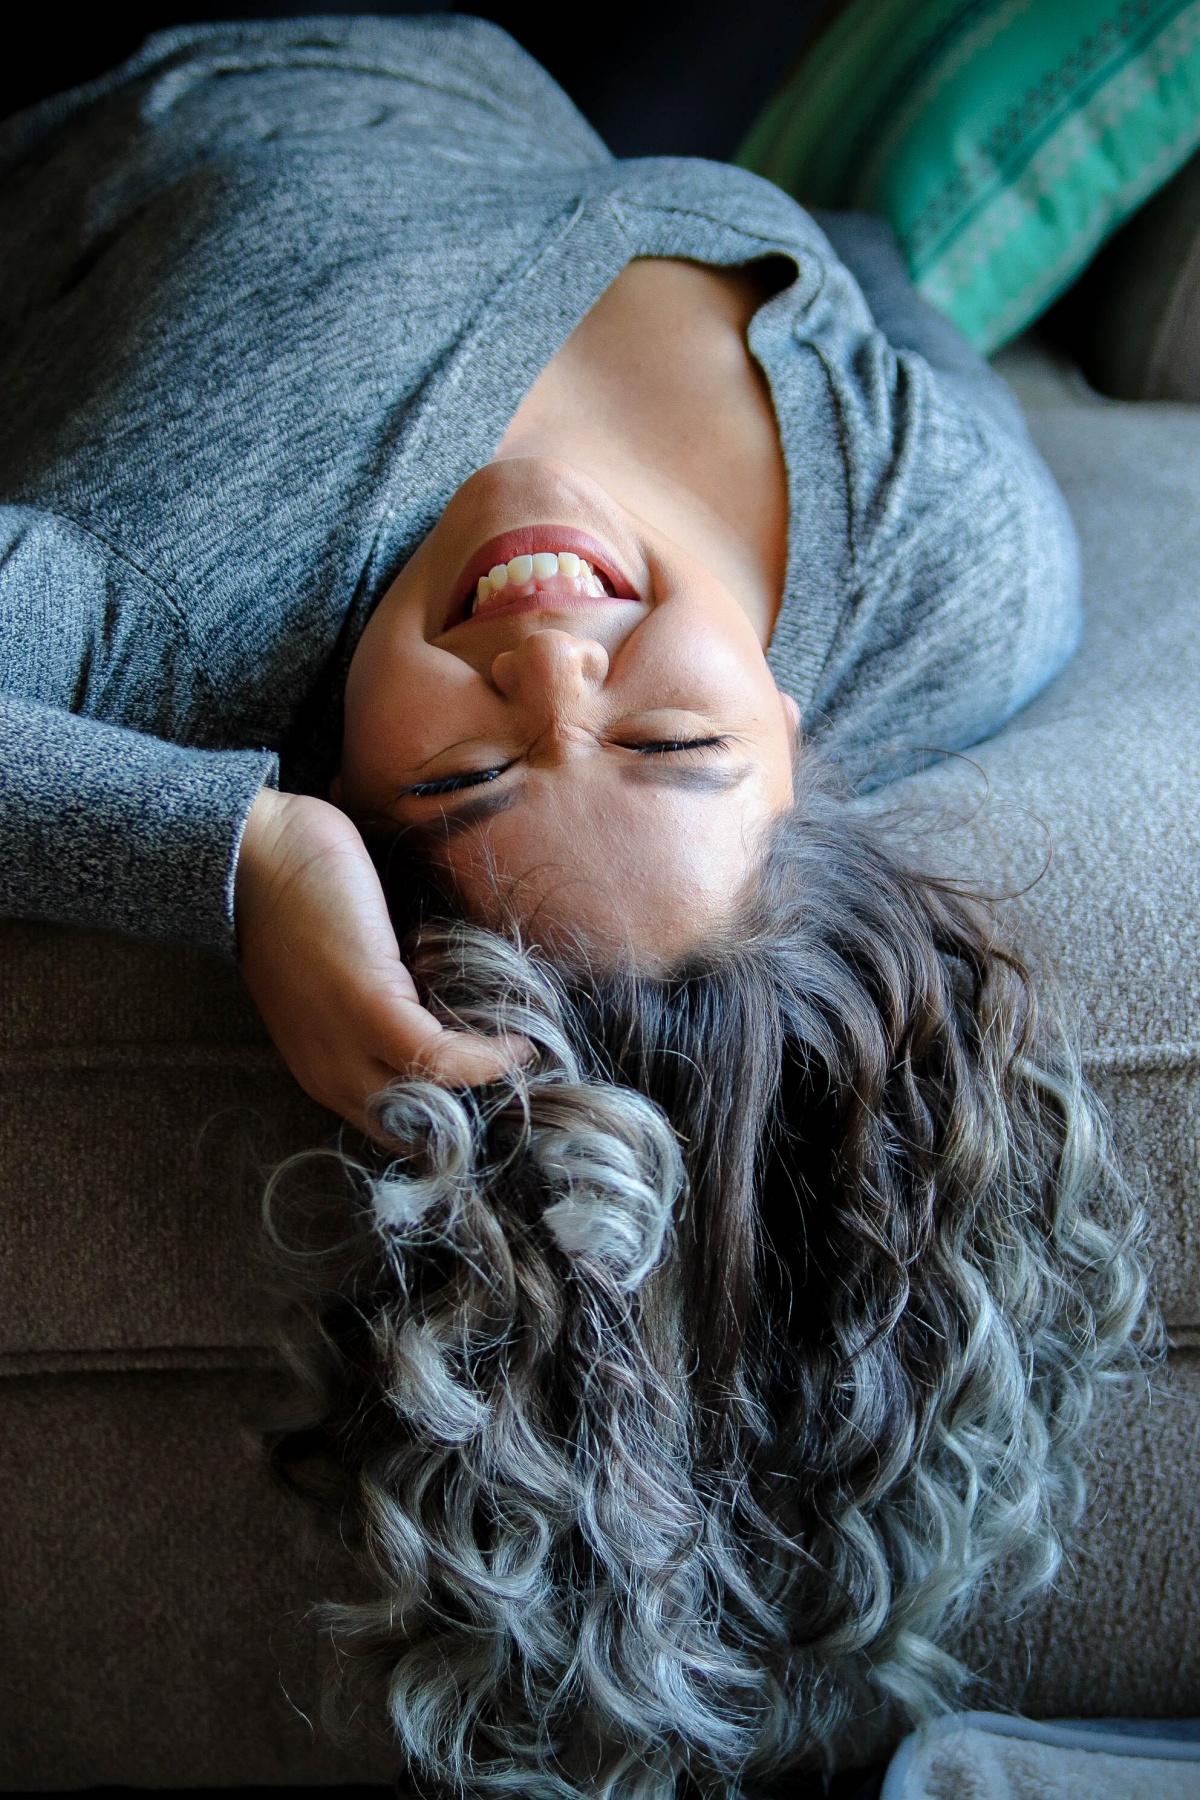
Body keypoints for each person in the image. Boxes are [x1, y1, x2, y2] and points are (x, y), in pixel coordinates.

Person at [0, 15, 1148, 1795]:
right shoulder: (957, 567)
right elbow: (874, 258)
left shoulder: (174, 586)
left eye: (462, 779)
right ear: (798, 728)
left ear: (362, 811)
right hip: (554, 75)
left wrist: (230, 859)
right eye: (677, 737)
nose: (548, 666)